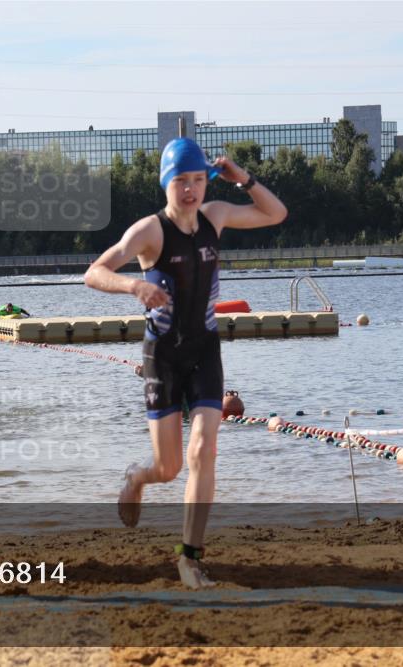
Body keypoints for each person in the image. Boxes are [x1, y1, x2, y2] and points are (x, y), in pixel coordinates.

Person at [84, 137, 287, 588]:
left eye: (198, 180)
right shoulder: (149, 231)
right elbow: (94, 271)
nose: (191, 190)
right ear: (166, 184)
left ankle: (189, 557)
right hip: (163, 355)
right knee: (168, 468)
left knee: (204, 450)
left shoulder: (216, 215)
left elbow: (276, 214)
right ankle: (137, 478)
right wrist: (134, 287)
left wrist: (245, 180)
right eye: (181, 181)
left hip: (205, 351)